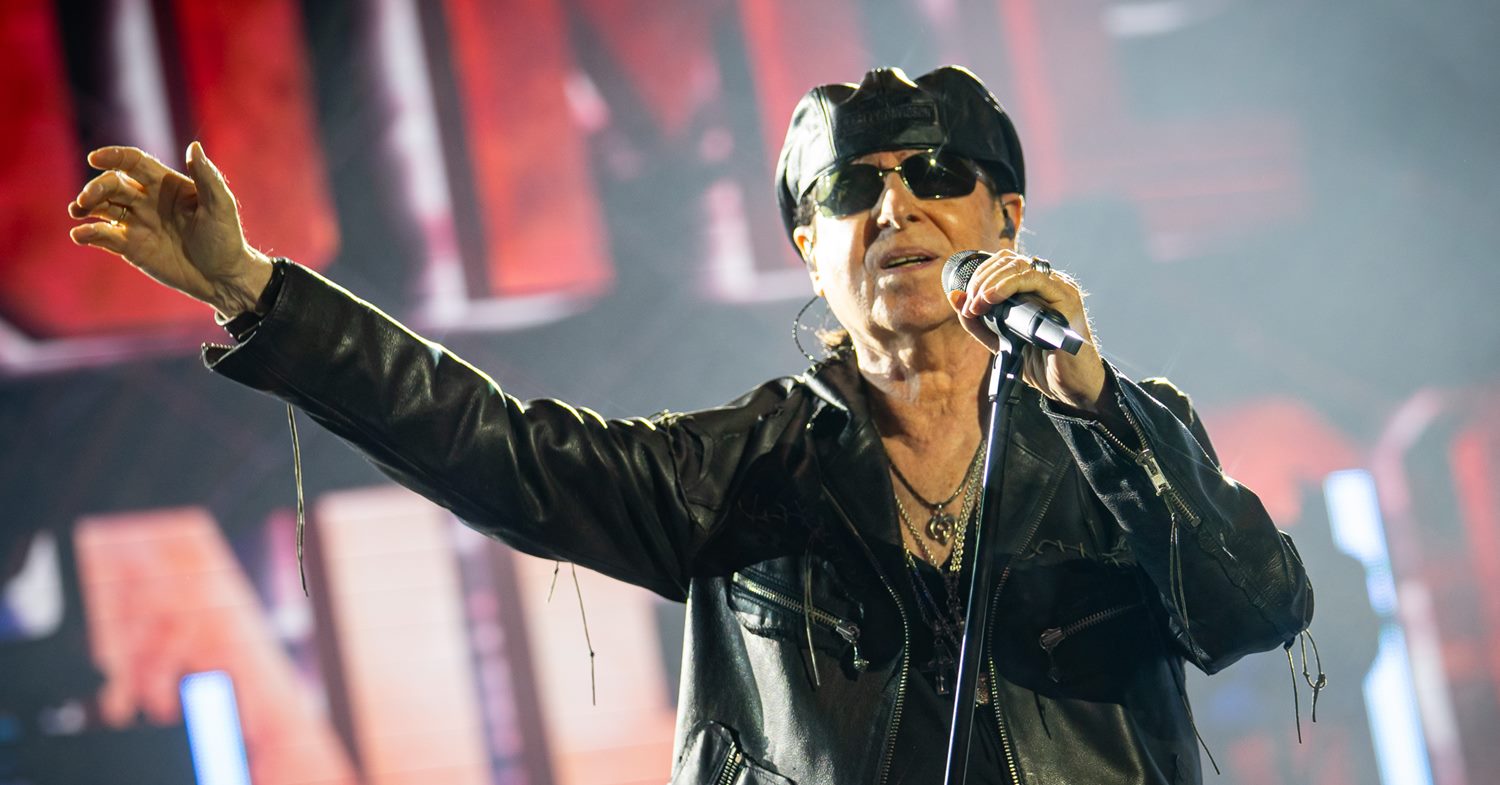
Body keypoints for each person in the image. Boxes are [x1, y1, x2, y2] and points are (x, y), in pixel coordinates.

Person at [67, 65, 1313, 784]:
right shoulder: (751, 466)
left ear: (1009, 216)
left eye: (936, 176)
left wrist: (1095, 401)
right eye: (851, 189)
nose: (896, 210)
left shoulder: (1120, 434)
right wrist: (255, 289)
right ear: (808, 248)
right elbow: (502, 451)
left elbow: (1254, 609)